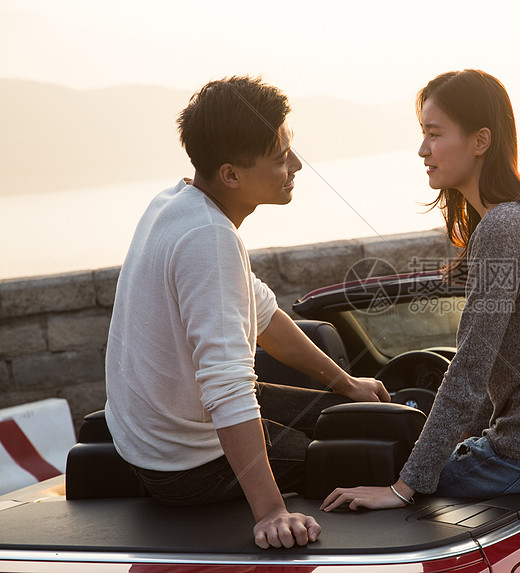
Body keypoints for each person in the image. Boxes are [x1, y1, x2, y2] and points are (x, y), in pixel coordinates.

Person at [321, 69, 520, 512]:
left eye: (434, 134)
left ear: (480, 141)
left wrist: (402, 488)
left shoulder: (503, 228)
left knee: (378, 472)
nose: (422, 150)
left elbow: (471, 367)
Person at [104, 76, 389, 548]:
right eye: (281, 158)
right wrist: (272, 512)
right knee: (375, 454)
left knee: (356, 412)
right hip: (185, 465)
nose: (296, 164)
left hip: (160, 437)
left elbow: (261, 313)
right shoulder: (208, 237)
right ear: (232, 174)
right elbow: (228, 385)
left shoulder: (177, 203)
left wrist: (346, 383)